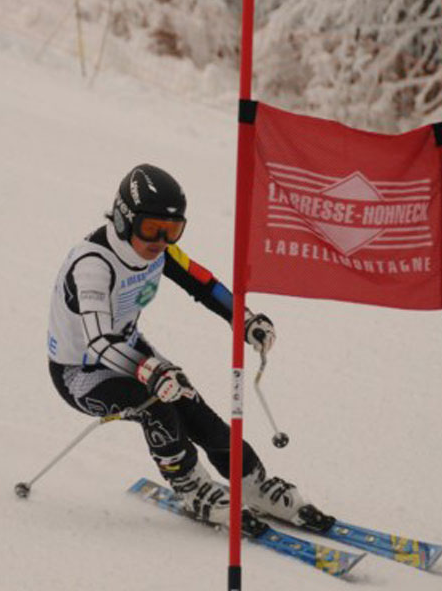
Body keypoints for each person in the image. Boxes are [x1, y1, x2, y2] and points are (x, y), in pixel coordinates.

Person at [46, 163, 333, 531]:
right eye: (151, 228)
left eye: (173, 230)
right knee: (155, 406)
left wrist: (245, 320)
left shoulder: (161, 252)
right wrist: (150, 371)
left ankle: (253, 483)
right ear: (123, 219)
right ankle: (190, 486)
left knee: (193, 408)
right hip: (80, 372)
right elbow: (98, 340)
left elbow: (205, 285)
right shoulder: (92, 265)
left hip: (129, 350)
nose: (160, 240)